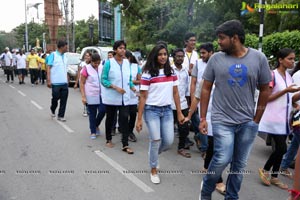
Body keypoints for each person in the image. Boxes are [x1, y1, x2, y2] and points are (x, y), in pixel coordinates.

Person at [199, 20, 272, 200]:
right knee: (222, 158)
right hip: (222, 119)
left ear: (235, 38)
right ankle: (205, 192)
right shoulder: (216, 59)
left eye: (222, 38)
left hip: (247, 122)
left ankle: (232, 197)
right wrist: (202, 118)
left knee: (239, 166)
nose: (219, 42)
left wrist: (256, 119)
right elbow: (206, 88)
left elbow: (265, 89)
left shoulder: (258, 58)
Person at [136, 43, 184, 184]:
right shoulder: (147, 74)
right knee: (156, 139)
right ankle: (153, 169)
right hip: (152, 111)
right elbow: (143, 97)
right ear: (155, 56)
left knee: (168, 141)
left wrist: (179, 112)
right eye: (160, 54)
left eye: (165, 54)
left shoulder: (172, 73)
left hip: (167, 110)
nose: (163, 57)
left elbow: (176, 93)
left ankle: (153, 154)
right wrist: (139, 119)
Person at [258, 48, 298, 190]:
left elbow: (289, 98)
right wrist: (286, 91)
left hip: (284, 119)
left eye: (294, 59)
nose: (293, 61)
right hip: (272, 118)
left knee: (281, 149)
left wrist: (295, 101)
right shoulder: (272, 75)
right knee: (282, 148)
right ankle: (265, 169)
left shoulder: (289, 77)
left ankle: (274, 176)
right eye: (290, 59)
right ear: (280, 60)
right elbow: (267, 98)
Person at [101, 40, 136, 154]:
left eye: (124, 48)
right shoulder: (109, 63)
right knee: (110, 118)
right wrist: (115, 87)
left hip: (124, 98)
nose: (122, 50)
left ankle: (125, 144)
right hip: (112, 97)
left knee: (124, 119)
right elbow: (103, 80)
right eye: (120, 48)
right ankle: (108, 139)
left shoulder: (127, 63)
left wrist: (133, 88)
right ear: (115, 50)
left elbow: (129, 79)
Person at [190, 42, 214, 157]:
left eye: (204, 53)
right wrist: (193, 98)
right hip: (200, 99)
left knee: (210, 128)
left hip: (215, 101)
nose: (202, 55)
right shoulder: (198, 64)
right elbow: (193, 82)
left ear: (211, 53)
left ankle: (202, 141)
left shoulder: (217, 64)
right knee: (203, 123)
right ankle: (204, 149)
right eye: (201, 53)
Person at [183, 32, 203, 150]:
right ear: (186, 42)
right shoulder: (180, 54)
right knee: (186, 113)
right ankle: (184, 138)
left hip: (194, 90)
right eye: (191, 40)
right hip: (182, 90)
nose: (193, 43)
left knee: (194, 113)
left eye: (195, 40)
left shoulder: (196, 55)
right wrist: (188, 70)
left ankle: (198, 135)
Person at [280, 61, 300, 179]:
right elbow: (293, 97)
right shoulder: (297, 75)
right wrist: (296, 106)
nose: (292, 60)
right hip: (297, 116)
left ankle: (284, 165)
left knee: (295, 143)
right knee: (295, 143)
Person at [80, 53, 106, 139]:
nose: (97, 65)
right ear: (91, 61)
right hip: (91, 94)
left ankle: (96, 124)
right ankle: (93, 131)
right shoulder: (86, 69)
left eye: (98, 63)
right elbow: (82, 83)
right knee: (92, 113)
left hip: (101, 94)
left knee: (103, 110)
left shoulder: (102, 67)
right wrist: (83, 96)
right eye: (95, 63)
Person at [171, 48, 191, 158]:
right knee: (167, 128)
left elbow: (187, 88)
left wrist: (188, 103)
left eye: (182, 56)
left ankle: (181, 147)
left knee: (184, 128)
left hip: (183, 104)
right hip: (170, 104)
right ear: (174, 57)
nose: (180, 58)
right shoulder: (169, 70)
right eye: (178, 56)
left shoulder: (185, 70)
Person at [47, 40, 69, 122]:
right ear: (62, 47)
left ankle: (61, 115)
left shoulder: (66, 57)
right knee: (55, 98)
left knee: (64, 100)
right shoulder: (53, 55)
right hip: (55, 82)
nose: (67, 48)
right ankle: (53, 108)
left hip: (64, 83)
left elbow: (66, 69)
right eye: (66, 46)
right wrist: (48, 80)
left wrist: (67, 79)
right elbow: (48, 67)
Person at [125, 50, 141, 142]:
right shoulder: (121, 67)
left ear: (129, 58)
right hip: (124, 93)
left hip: (134, 94)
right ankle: (124, 131)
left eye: (125, 58)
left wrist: (131, 82)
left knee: (133, 114)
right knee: (124, 114)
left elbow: (140, 80)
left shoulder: (136, 67)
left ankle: (130, 131)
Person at [74, 51, 92, 117]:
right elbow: (78, 73)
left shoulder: (92, 64)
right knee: (84, 96)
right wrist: (76, 83)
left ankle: (90, 109)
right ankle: (86, 109)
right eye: (86, 56)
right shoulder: (82, 64)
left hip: (89, 83)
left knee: (89, 96)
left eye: (88, 56)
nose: (87, 57)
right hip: (82, 82)